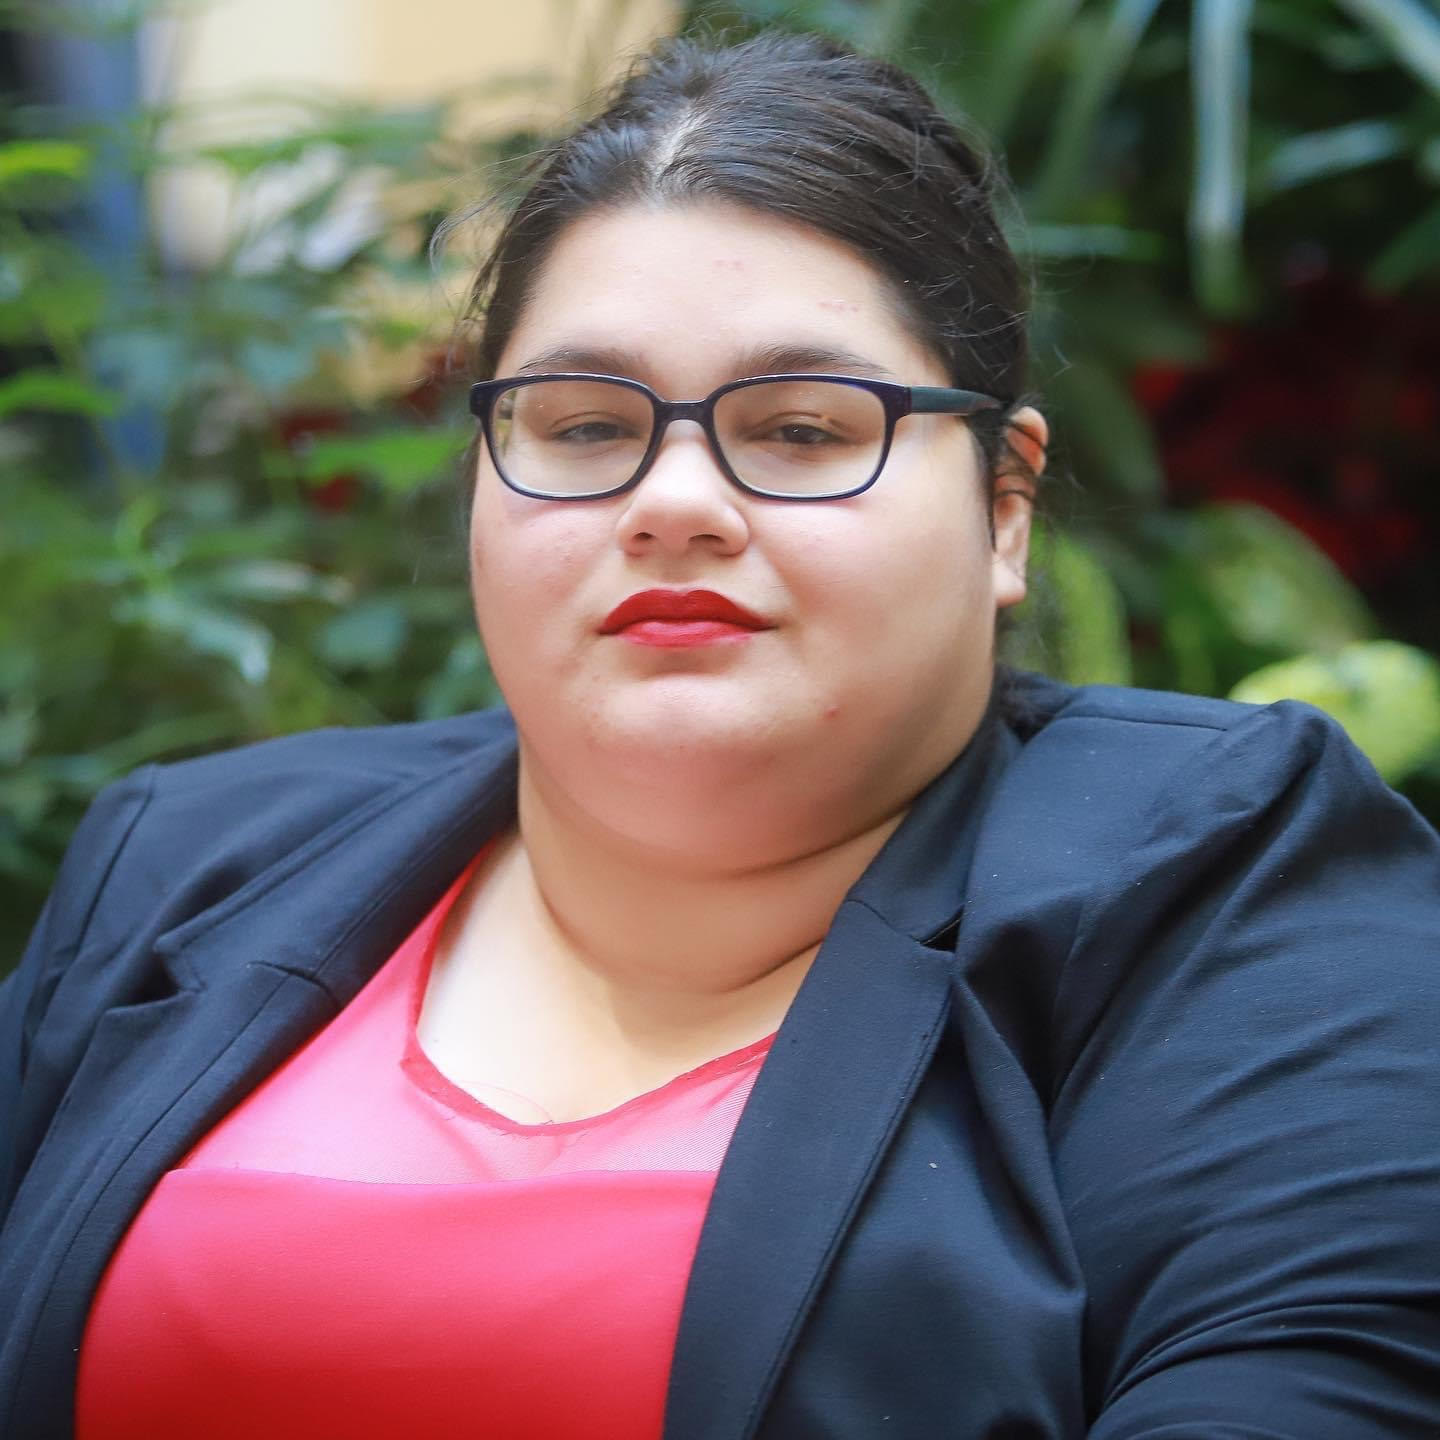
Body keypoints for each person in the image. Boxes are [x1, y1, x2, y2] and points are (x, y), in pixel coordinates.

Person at [3, 28, 1439, 1440]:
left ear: (1004, 505)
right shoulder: (184, 858)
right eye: (579, 426)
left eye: (805, 428)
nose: (672, 500)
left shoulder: (1226, 874)